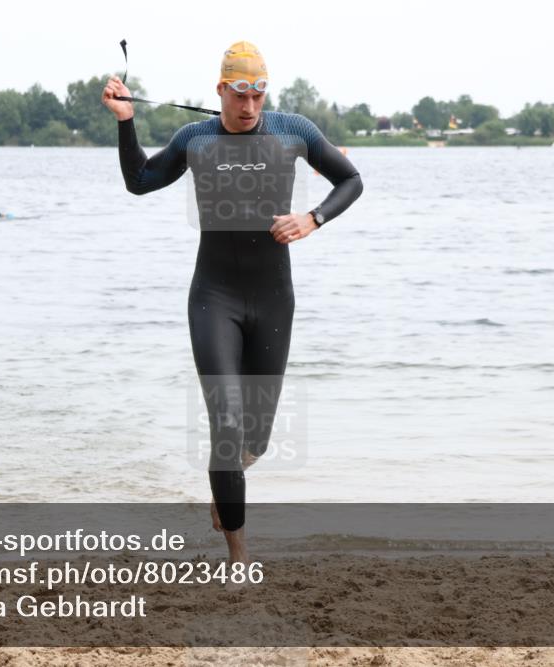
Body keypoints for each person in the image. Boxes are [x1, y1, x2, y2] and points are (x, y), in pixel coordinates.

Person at [102, 41, 362, 568]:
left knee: (255, 440)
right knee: (226, 423)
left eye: (258, 94)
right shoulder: (195, 138)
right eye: (239, 94)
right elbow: (139, 181)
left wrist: (313, 218)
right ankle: (238, 557)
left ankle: (227, 481)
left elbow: (351, 180)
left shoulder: (294, 131)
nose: (249, 106)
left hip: (273, 300)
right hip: (213, 296)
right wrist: (126, 122)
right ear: (221, 90)